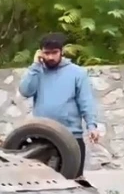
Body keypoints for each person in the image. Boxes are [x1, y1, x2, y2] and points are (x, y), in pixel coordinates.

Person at [18, 33, 102, 178]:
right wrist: (35, 66)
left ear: (61, 52)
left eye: (54, 52)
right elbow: (25, 91)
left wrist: (91, 126)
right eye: (46, 53)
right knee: (41, 181)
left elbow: (86, 101)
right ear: (40, 53)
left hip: (71, 137)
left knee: (74, 181)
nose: (50, 57)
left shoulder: (77, 73)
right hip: (43, 136)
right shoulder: (37, 71)